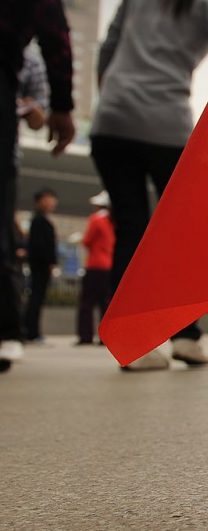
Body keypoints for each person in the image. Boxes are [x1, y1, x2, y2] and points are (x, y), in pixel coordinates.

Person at [91, 0, 208, 370]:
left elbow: (108, 47)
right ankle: (186, 337)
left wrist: (112, 98)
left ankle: (131, 342)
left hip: (112, 119)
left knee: (129, 228)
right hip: (165, 124)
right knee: (179, 233)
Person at [0, 0, 75, 371]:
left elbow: (37, 116)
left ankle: (9, 331)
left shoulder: (28, 63)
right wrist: (65, 104)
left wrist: (46, 108)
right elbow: (57, 31)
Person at [76, 191, 114, 346]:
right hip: (109, 265)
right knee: (106, 302)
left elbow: (86, 241)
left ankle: (86, 336)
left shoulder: (97, 219)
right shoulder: (114, 221)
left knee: (87, 302)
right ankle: (105, 337)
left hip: (95, 265)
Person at [24, 188, 58, 343]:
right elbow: (39, 245)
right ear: (41, 201)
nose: (52, 202)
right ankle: (31, 331)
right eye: (49, 199)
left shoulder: (42, 219)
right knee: (36, 297)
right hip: (40, 265)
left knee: (37, 297)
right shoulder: (38, 220)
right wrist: (49, 262)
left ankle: (32, 330)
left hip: (42, 264)